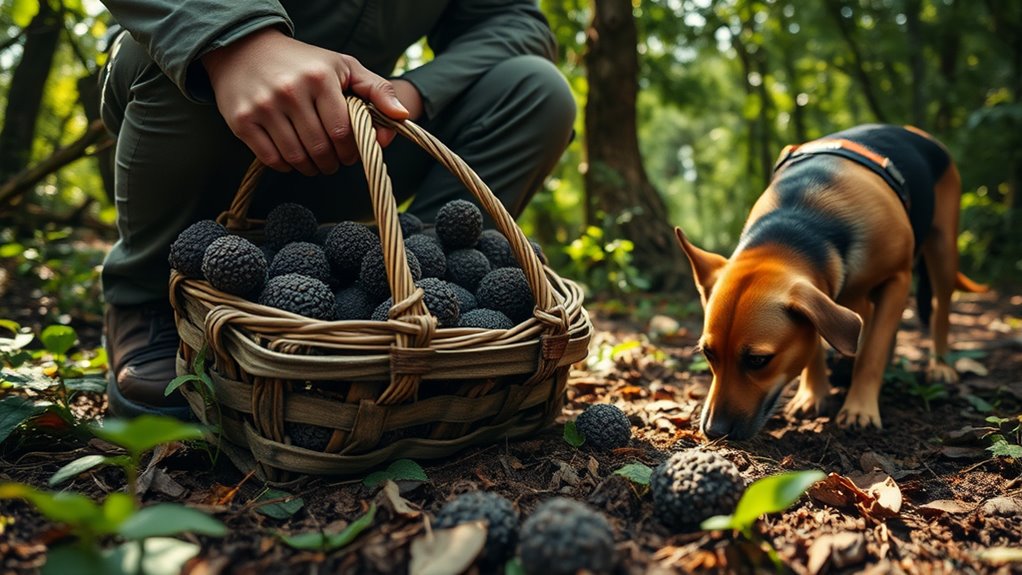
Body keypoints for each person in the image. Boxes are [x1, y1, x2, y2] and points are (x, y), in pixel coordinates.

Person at [97, 1, 576, 418]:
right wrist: (239, 42)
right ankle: (146, 300)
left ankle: (421, 321)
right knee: (169, 52)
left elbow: (515, 20)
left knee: (536, 89)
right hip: (203, 115)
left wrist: (409, 94)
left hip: (355, 143)